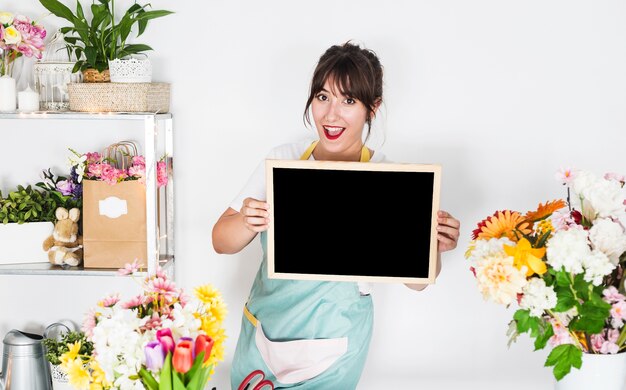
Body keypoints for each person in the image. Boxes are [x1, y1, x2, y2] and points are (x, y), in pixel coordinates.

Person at [212, 41, 461, 389]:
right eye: (322, 97)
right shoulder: (283, 160)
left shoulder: (392, 179)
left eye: (348, 101)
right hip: (265, 335)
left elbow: (419, 280)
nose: (331, 115)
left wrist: (433, 245)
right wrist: (245, 220)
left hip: (335, 349)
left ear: (372, 108)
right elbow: (221, 241)